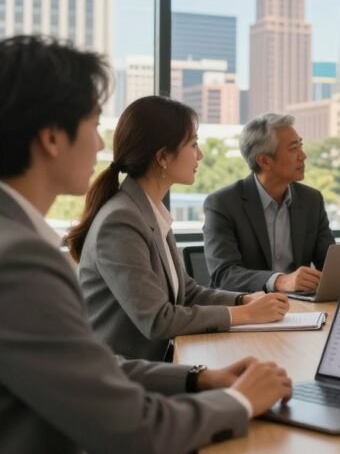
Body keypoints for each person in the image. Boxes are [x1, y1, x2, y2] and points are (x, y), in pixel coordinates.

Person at [0, 35, 291, 453]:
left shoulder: (23, 241)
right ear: (51, 137)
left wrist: (198, 377)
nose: (101, 145)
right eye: (94, 123)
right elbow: (131, 428)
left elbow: (90, 365)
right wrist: (239, 401)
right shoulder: (20, 259)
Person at [68, 96, 290, 361]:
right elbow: (158, 320)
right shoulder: (121, 222)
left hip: (157, 367)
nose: (200, 155)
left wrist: (244, 300)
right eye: (194, 144)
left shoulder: (147, 211)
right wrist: (245, 315)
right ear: (163, 157)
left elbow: (188, 293)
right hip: (123, 382)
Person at [203, 113, 335, 292]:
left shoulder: (311, 200)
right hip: (247, 308)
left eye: (301, 146)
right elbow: (224, 274)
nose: (303, 156)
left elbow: (330, 264)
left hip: (301, 306)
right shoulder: (223, 204)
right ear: (264, 161)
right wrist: (280, 281)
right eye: (293, 148)